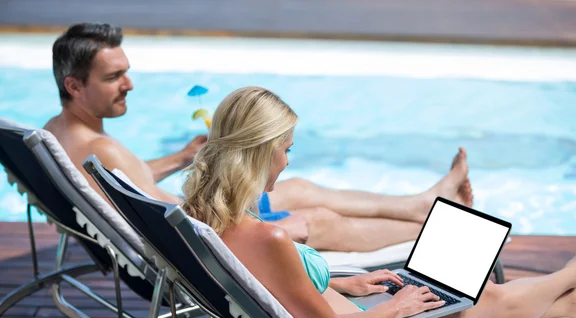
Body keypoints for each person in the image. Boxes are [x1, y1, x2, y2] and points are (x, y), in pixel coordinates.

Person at [181, 86, 576, 318]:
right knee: (480, 298)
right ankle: (570, 276)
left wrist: (344, 283)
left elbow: (276, 287)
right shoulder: (266, 235)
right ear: (259, 151)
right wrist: (397, 306)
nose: (287, 162)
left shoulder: (207, 218)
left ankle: (571, 303)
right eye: (285, 149)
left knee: (449, 297)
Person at [44, 22, 473, 252]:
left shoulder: (61, 136)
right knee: (318, 219)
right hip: (206, 238)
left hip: (197, 221)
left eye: (126, 71)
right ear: (74, 86)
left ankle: (422, 206)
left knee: (297, 187)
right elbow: (154, 219)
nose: (129, 84)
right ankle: (435, 232)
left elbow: (130, 181)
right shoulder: (97, 147)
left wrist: (183, 157)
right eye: (114, 76)